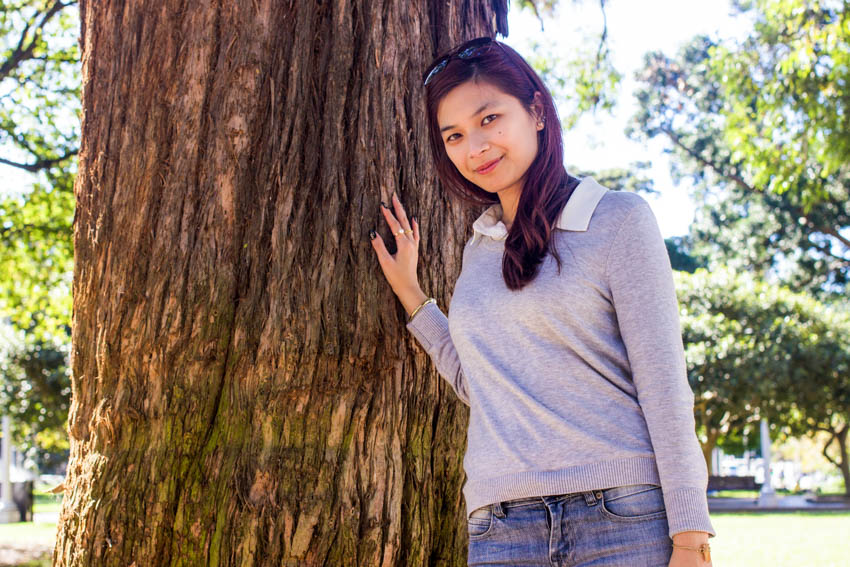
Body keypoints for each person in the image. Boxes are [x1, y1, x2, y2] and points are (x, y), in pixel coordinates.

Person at [368, 35, 715, 567]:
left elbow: (665, 384)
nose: (474, 147)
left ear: (535, 110)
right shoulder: (480, 249)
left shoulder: (617, 219)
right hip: (500, 525)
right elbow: (482, 383)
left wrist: (691, 536)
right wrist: (413, 298)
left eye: (489, 119)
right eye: (454, 135)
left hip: (620, 516)